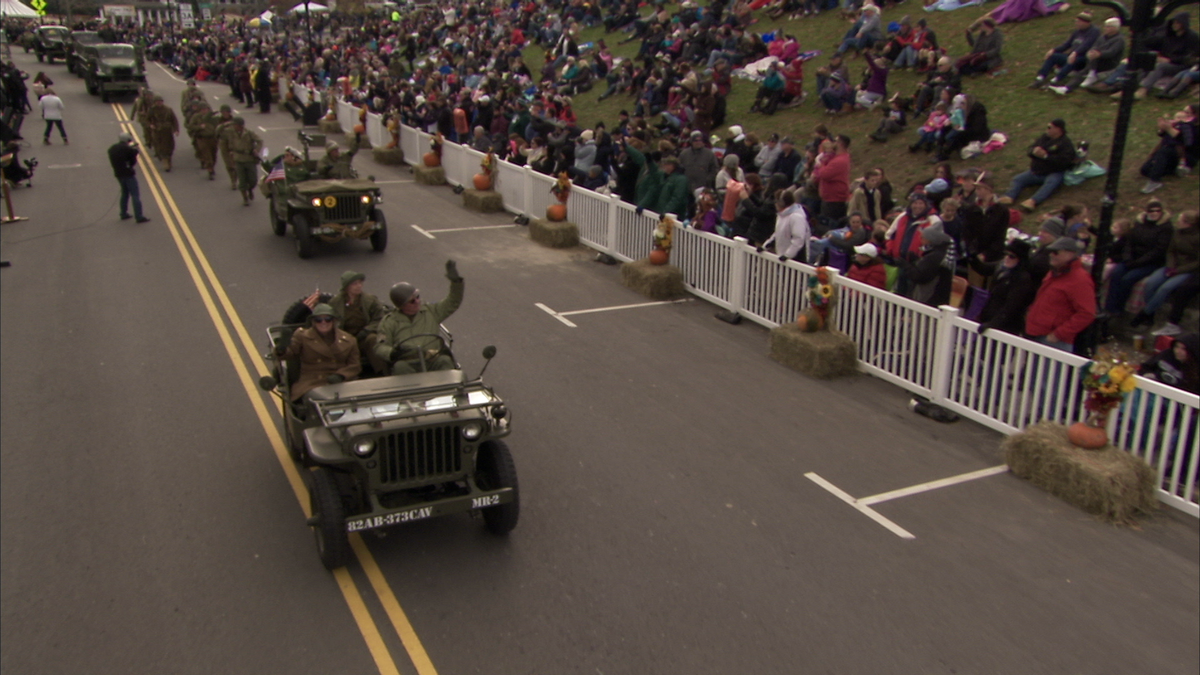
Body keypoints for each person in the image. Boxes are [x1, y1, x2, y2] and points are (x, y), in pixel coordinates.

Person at [375, 261, 465, 376]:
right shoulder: (390, 322)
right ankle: (411, 394)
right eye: (412, 301)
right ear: (401, 305)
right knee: (400, 367)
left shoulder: (431, 311)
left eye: (417, 297)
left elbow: (453, 302)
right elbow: (379, 346)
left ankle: (449, 392)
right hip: (408, 363)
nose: (417, 301)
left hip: (432, 359)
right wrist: (392, 353)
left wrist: (456, 282)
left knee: (445, 361)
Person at [1129, 210, 1199, 329]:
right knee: (1151, 283)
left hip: (1187, 269)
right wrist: (1171, 266)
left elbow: (1197, 262)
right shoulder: (1177, 233)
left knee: (1165, 288)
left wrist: (1178, 270)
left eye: (1180, 220)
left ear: (1188, 224)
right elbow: (1171, 251)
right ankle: (1150, 314)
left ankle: (1144, 313)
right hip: (1172, 266)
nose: (1176, 221)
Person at [1024, 237, 1096, 352]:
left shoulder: (1080, 280)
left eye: (1056, 252)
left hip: (1055, 341)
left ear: (1070, 254)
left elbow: (1087, 313)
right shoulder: (1055, 272)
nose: (1051, 255)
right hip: (1038, 333)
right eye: (1050, 252)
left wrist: (1059, 334)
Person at [278, 304, 362, 402]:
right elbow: (290, 353)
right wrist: (282, 349)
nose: (323, 323)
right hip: (312, 382)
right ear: (313, 322)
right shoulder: (302, 336)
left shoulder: (349, 340)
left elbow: (355, 365)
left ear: (334, 321)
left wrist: (341, 375)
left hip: (340, 383)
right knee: (312, 406)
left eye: (328, 319)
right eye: (318, 320)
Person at [1105, 199, 1173, 315]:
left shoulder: (1166, 228)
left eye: (1158, 211)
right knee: (1116, 273)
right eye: (1152, 211)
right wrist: (1127, 258)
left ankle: (1120, 307)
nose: (1155, 213)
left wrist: (1138, 262)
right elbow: (1129, 243)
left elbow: (1159, 250)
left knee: (1128, 278)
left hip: (1150, 262)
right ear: (1146, 211)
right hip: (1132, 258)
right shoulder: (1139, 223)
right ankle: (1109, 306)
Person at [1003, 118, 1075, 212]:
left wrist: (1046, 156)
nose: (1047, 129)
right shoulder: (1044, 138)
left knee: (1050, 184)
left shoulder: (1065, 143)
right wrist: (1033, 152)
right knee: (1018, 179)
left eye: (1050, 127)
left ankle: (1033, 201)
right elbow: (1030, 149)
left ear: (1058, 129)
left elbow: (1065, 161)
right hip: (1036, 171)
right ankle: (1009, 196)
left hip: (1053, 172)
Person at [974, 239, 1038, 335]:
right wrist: (972, 256)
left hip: (1006, 328)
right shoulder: (1002, 269)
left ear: (1020, 260)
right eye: (1006, 254)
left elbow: (1011, 307)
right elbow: (984, 269)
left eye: (1011, 256)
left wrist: (992, 324)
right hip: (989, 319)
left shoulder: (1022, 279)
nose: (1007, 258)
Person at [1131, 13, 1199, 101]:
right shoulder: (1169, 35)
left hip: (1181, 65)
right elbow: (1154, 43)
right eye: (1173, 23)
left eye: (1177, 23)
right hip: (1166, 61)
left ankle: (1144, 89)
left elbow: (1191, 57)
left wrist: (1170, 60)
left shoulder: (1192, 37)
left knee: (1160, 67)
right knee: (1147, 61)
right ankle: (1131, 87)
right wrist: (1140, 39)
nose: (1174, 25)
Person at [1048, 17, 1125, 95]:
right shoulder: (1102, 37)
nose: (1105, 28)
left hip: (1108, 63)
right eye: (1105, 26)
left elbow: (1111, 52)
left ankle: (1091, 74)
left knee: (1089, 64)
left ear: (1115, 28)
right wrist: (1092, 51)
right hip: (1095, 61)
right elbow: (1095, 46)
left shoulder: (1119, 40)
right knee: (1080, 73)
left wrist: (1099, 54)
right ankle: (1067, 88)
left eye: (1108, 26)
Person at [1029, 12, 1099, 89]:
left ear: (1086, 22)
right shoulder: (1077, 32)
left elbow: (1086, 45)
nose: (1076, 23)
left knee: (1072, 60)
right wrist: (1054, 50)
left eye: (1078, 21)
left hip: (1083, 58)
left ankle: (1056, 80)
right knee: (1053, 56)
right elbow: (1067, 44)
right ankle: (1040, 77)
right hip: (1072, 55)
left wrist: (1076, 53)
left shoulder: (1094, 31)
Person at [1140, 104, 1197, 194]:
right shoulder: (1178, 124)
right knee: (1145, 170)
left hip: (1184, 154)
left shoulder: (1191, 127)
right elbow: (1165, 136)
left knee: (1164, 151)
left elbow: (1186, 142)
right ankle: (1172, 169)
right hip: (1170, 151)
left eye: (1187, 112)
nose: (1183, 113)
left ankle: (1155, 181)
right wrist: (1163, 129)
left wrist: (1170, 129)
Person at [895, 220, 955, 306]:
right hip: (935, 298)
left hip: (930, 299)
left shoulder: (935, 256)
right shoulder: (938, 253)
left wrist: (905, 265)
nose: (920, 239)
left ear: (931, 239)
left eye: (923, 237)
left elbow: (920, 276)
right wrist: (916, 260)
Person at [812, 134, 851, 235]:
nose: (833, 143)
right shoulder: (836, 158)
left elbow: (824, 174)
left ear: (840, 144)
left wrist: (820, 165)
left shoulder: (840, 161)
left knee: (828, 227)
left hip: (834, 201)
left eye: (836, 141)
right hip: (829, 199)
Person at [107, 132, 150, 224]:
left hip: (118, 174)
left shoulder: (112, 149)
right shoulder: (128, 150)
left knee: (124, 193)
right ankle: (139, 216)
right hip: (128, 174)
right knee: (135, 195)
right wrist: (135, 150)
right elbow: (132, 161)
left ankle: (123, 213)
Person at [763, 190, 810, 262]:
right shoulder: (781, 215)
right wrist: (765, 246)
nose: (775, 204)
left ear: (781, 203)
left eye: (776, 201)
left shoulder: (796, 217)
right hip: (783, 257)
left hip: (795, 260)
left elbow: (798, 239)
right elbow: (777, 233)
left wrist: (787, 255)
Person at [227, 116, 263, 206]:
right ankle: (245, 198)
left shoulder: (249, 133)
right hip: (238, 159)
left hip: (249, 159)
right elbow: (228, 143)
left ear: (240, 125)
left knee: (253, 179)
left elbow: (259, 141)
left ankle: (250, 189)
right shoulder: (231, 133)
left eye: (235, 125)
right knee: (242, 180)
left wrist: (257, 150)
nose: (234, 126)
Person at [147, 97, 179, 172]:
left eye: (160, 101)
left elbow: (174, 120)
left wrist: (176, 130)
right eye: (157, 101)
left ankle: (168, 160)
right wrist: (151, 125)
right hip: (157, 131)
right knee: (160, 146)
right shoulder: (152, 110)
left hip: (168, 130)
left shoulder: (168, 109)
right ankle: (165, 162)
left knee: (170, 146)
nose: (159, 103)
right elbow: (147, 119)